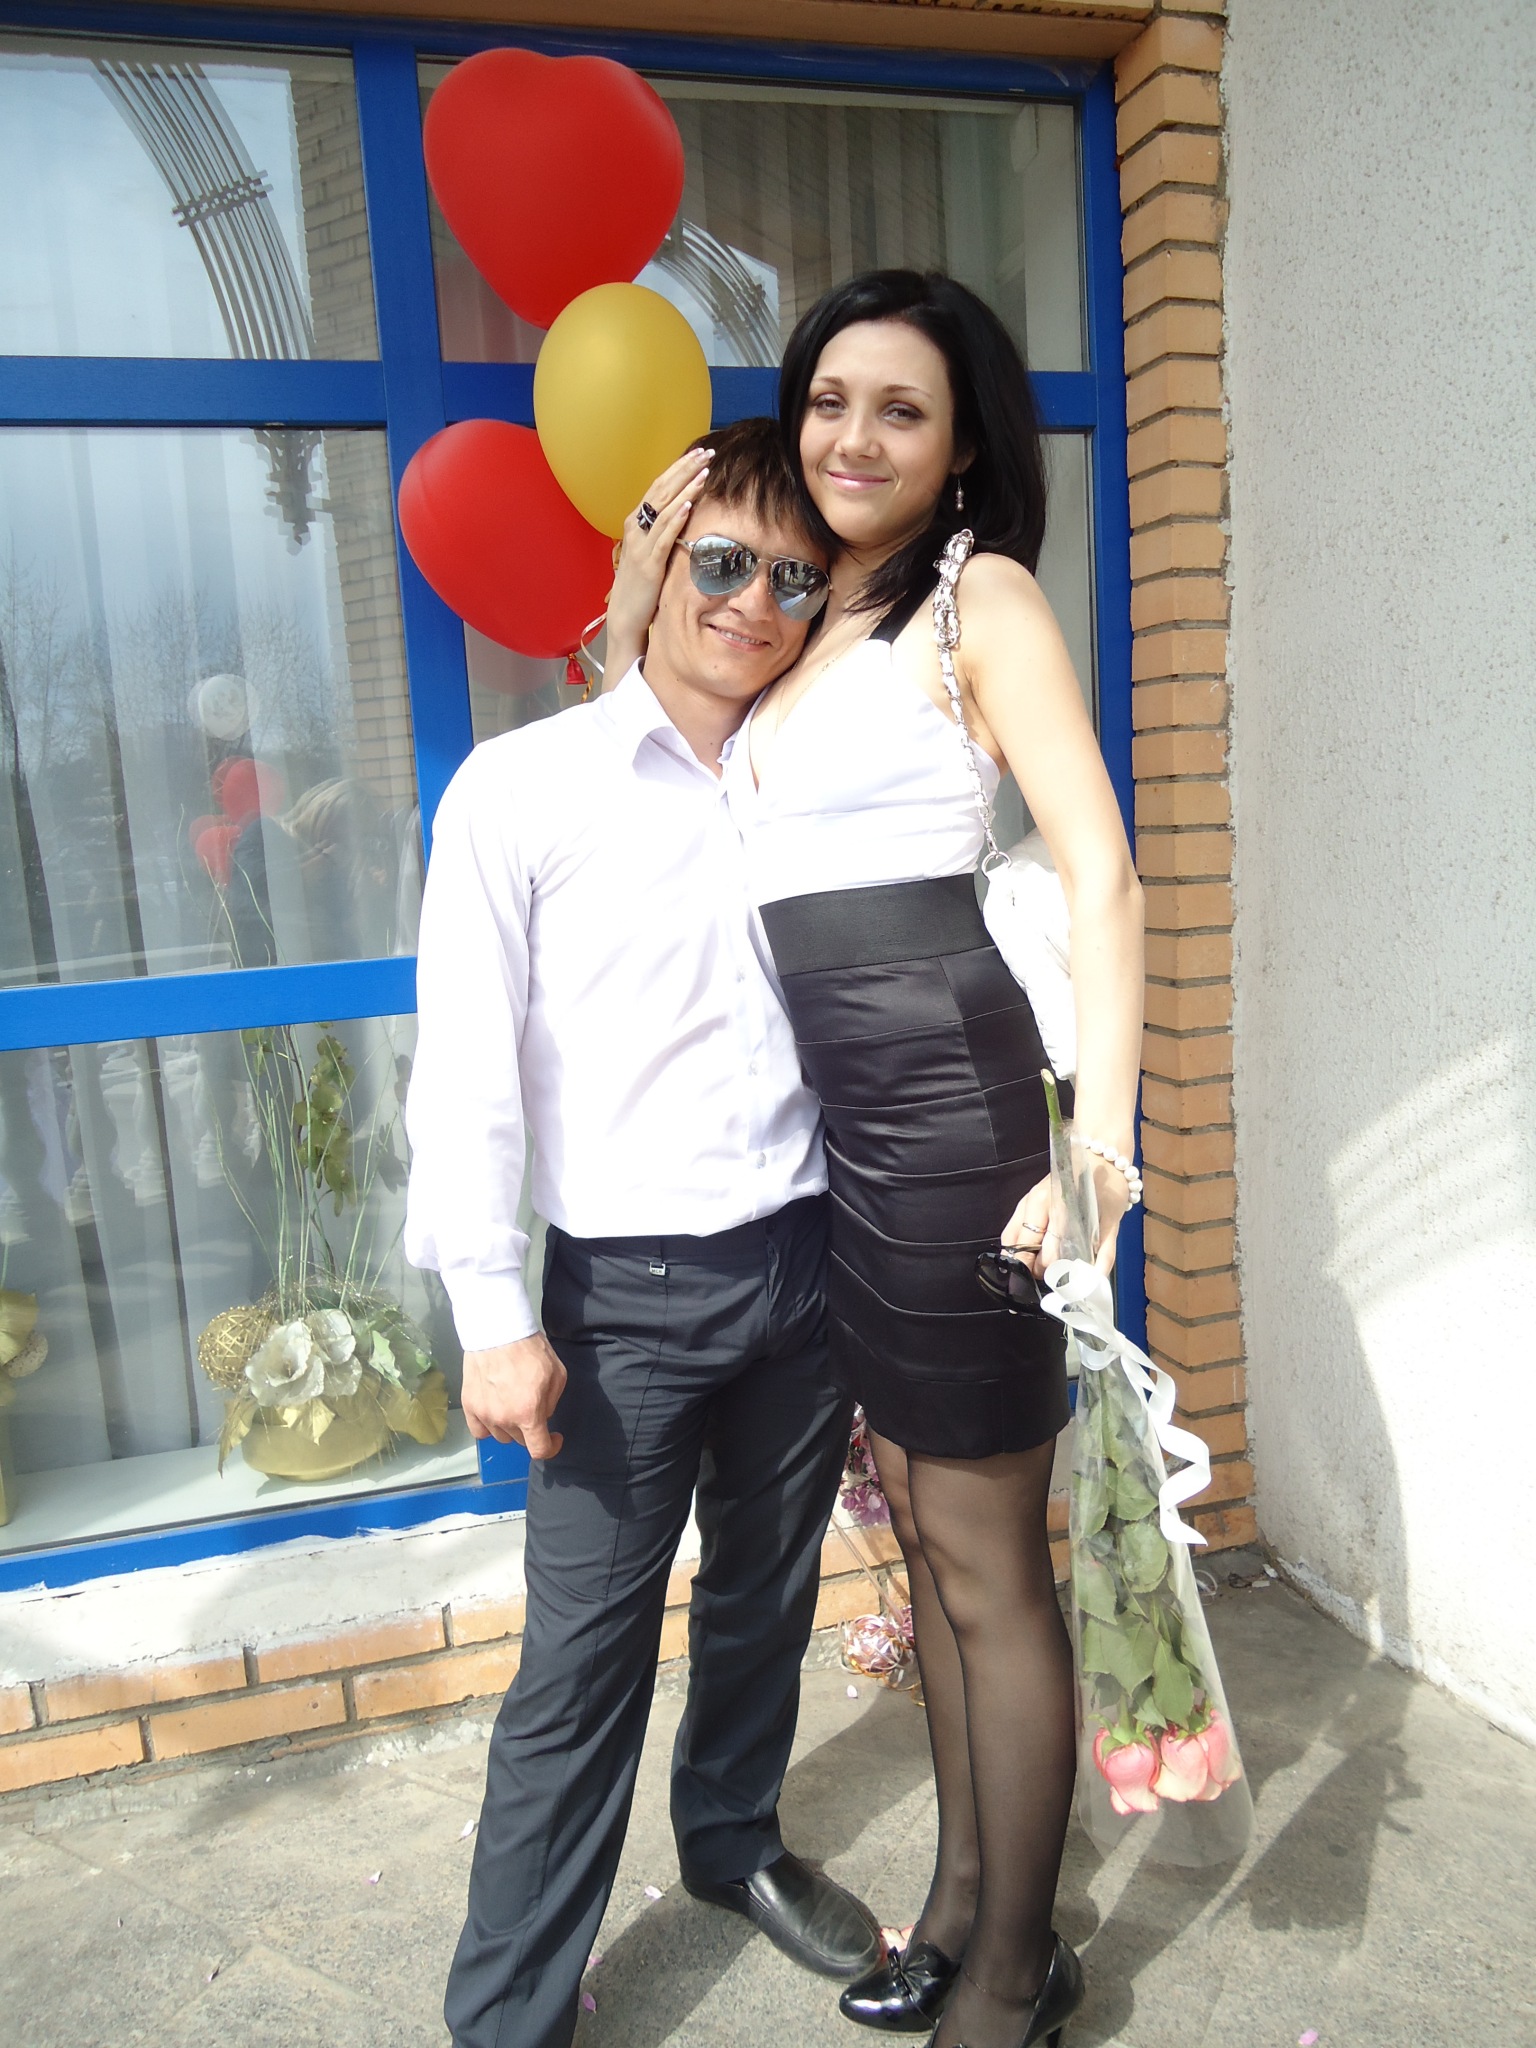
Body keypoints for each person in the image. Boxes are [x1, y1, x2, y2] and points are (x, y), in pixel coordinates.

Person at [607, 271, 1145, 2048]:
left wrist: (1098, 1153)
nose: (852, 436)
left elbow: (1103, 872)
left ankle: (1013, 1977)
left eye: (899, 408)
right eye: (829, 400)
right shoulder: (814, 606)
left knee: (987, 1560)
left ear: (964, 441)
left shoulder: (979, 598)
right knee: (923, 1536)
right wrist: (651, 557)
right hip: (854, 1143)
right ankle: (962, 1905)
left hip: (960, 1126)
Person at [403, 417, 882, 2048]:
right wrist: (491, 1313)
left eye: (795, 579)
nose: (755, 601)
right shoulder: (523, 788)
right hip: (624, 1303)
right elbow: (465, 1066)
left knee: (765, 1598)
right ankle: (509, 2014)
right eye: (724, 560)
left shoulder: (808, 779)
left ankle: (734, 1841)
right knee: (579, 1670)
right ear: (655, 561)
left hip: (805, 1263)